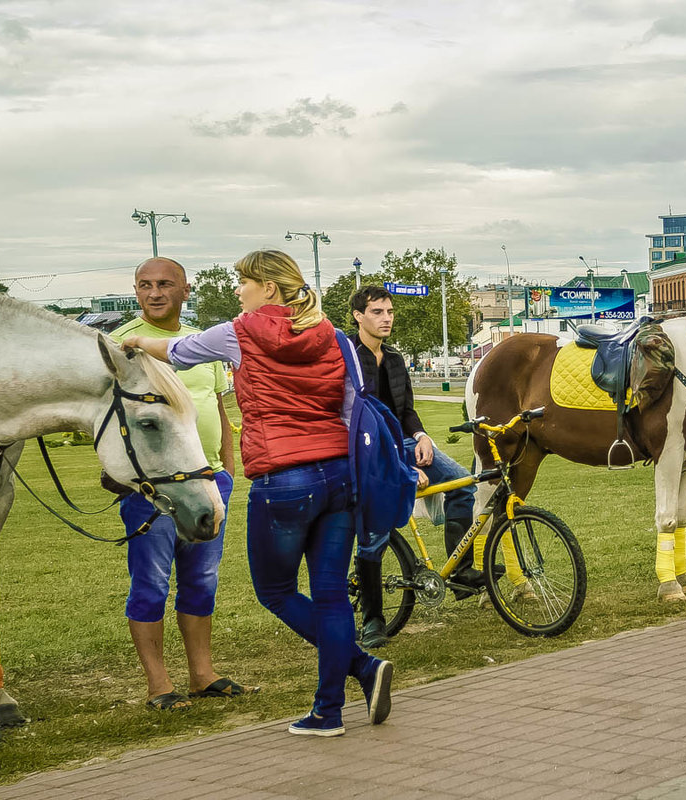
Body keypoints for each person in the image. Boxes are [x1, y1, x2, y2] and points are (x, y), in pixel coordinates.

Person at [121, 250, 393, 737]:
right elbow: (354, 404)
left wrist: (137, 339)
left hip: (283, 479)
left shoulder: (240, 330)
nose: (237, 290)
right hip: (339, 475)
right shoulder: (334, 335)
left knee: (276, 591)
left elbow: (179, 353)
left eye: (243, 282)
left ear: (268, 287)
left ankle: (362, 672)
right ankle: (329, 708)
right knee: (331, 596)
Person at [109, 257, 245, 711]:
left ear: (186, 290)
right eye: (144, 285)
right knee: (150, 584)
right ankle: (158, 685)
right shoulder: (121, 346)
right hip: (154, 490)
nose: (154, 292)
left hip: (209, 481)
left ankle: (202, 675)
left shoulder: (202, 343)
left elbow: (217, 406)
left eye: (165, 284)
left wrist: (227, 468)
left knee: (201, 580)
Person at [350, 285, 479, 647]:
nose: (386, 318)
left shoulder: (393, 358)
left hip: (403, 442)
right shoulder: (348, 357)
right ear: (359, 316)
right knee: (372, 531)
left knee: (461, 483)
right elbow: (357, 419)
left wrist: (421, 436)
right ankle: (373, 618)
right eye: (377, 312)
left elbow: (406, 409)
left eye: (389, 311)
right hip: (367, 450)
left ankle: (461, 570)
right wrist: (402, 468)